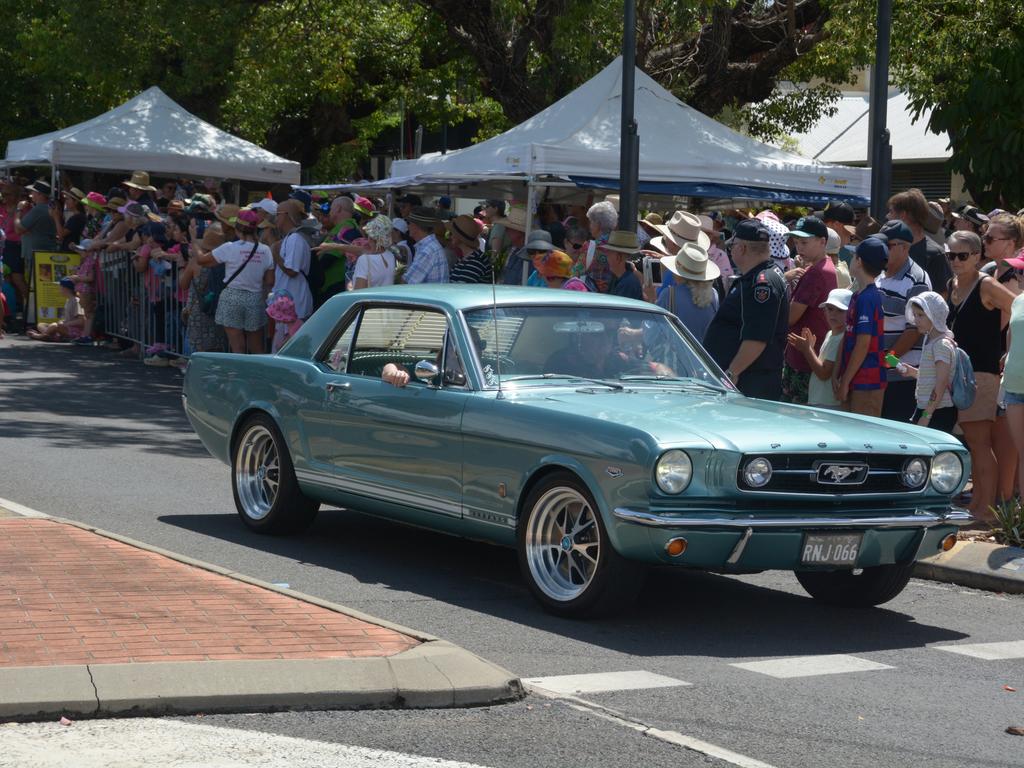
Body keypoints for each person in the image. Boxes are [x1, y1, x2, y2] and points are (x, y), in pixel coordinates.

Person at [946, 230, 1019, 520]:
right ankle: (979, 502)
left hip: (982, 374)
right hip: (958, 373)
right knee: (972, 444)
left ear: (977, 256)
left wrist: (1006, 346)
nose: (955, 261)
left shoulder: (986, 284)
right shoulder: (951, 283)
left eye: (962, 255)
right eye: (950, 255)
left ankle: (986, 511)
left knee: (979, 443)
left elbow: (1018, 308)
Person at [703, 219, 788, 399]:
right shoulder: (759, 277)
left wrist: (732, 374)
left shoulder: (762, 283)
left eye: (732, 246)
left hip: (750, 381)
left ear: (741, 248)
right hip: (749, 379)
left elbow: (757, 338)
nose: (730, 250)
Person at [195, 209, 274, 353]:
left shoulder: (230, 248)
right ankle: (259, 374)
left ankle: (238, 374)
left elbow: (202, 260)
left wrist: (194, 243)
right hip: (255, 299)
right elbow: (270, 280)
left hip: (232, 297)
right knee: (257, 348)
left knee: (237, 346)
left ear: (237, 228)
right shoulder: (266, 250)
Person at [876, 219, 932, 422]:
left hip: (901, 378)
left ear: (905, 247)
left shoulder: (917, 280)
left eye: (887, 245)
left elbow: (914, 331)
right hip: (879, 374)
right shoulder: (878, 273)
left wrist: (885, 361)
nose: (882, 249)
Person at [782, 216, 838, 404]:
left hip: (804, 360)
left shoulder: (816, 272)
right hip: (808, 356)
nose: (799, 247)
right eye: (796, 242)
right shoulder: (824, 266)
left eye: (804, 242)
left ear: (823, 242)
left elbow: (790, 317)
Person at [836, 238, 888, 416]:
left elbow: (863, 345)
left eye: (853, 256)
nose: (850, 259)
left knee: (864, 440)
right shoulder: (860, 295)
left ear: (859, 261)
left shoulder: (868, 298)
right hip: (856, 379)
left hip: (867, 382)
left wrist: (845, 382)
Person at [895, 292, 957, 433]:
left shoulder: (941, 344)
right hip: (926, 407)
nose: (916, 320)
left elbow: (941, 383)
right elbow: (932, 376)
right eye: (915, 315)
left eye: (921, 315)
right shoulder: (929, 340)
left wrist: (926, 416)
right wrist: (913, 372)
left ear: (934, 315)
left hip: (938, 411)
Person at [787, 288, 852, 409]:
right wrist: (810, 349)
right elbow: (824, 367)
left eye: (840, 311)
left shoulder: (841, 338)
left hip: (829, 403)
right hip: (822, 400)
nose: (833, 314)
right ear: (824, 311)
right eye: (830, 309)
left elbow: (824, 373)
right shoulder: (831, 334)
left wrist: (808, 351)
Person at [887, 188, 952, 296]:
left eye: (891, 212)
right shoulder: (890, 247)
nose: (887, 216)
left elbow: (942, 297)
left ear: (903, 215)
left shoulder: (935, 254)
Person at [654, 241, 720, 340]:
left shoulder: (669, 295)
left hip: (679, 355)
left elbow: (651, 336)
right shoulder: (713, 294)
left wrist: (651, 299)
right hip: (705, 355)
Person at [180, 223, 228, 353]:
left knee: (196, 349)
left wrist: (180, 266)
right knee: (217, 348)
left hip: (198, 311)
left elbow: (183, 284)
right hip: (218, 310)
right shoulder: (226, 262)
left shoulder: (196, 262)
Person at [1002, 268, 1024, 502]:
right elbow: (1011, 336)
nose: (1019, 276)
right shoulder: (1018, 301)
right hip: (1014, 386)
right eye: (1018, 271)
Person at [271, 200, 314, 318]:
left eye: (277, 214)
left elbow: (292, 271)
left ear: (286, 215)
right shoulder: (290, 237)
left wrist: (275, 253)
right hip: (288, 302)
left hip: (295, 303)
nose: (275, 219)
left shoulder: (295, 238)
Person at [14, 180, 58, 279]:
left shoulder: (38, 209)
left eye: (33, 192)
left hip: (35, 254)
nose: (31, 195)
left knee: (34, 284)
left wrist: (18, 210)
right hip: (45, 251)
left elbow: (18, 229)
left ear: (39, 194)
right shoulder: (51, 207)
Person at [0, 179, 28, 323]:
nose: (4, 197)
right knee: (8, 279)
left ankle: (30, 306)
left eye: (8, 194)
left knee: (17, 278)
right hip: (4, 246)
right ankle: (17, 308)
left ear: (16, 196)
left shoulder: (22, 209)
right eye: (3, 194)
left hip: (16, 245)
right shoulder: (1, 208)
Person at [402, 207, 448, 284]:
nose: (407, 226)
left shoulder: (427, 250)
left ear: (415, 226)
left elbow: (406, 283)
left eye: (408, 223)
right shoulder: (430, 246)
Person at [352, 214, 397, 289]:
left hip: (370, 300)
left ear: (371, 237)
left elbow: (358, 293)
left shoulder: (364, 260)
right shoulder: (390, 255)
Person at [599, 231, 643, 299]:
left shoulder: (628, 284)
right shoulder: (618, 278)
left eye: (609, 252)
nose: (606, 255)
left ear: (618, 257)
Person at [448, 216, 492, 284]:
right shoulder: (465, 258)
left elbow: (460, 291)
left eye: (452, 233)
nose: (450, 236)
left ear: (459, 237)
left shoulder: (476, 262)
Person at [53, 187, 88, 252]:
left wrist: (56, 217)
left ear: (76, 202)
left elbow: (61, 234)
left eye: (68, 199)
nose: (66, 202)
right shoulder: (78, 216)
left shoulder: (78, 218)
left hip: (70, 254)